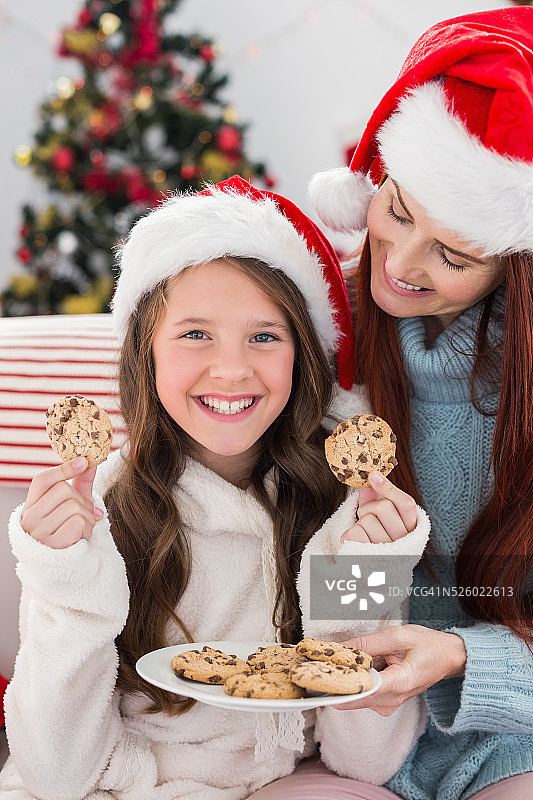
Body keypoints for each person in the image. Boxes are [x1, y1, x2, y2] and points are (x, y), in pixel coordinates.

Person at [0, 176, 431, 800]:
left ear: (300, 357)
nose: (231, 369)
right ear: (145, 355)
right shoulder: (98, 511)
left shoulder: (345, 511)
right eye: (195, 333)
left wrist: (361, 578)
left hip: (282, 783)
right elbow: (56, 774)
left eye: (263, 336)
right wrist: (64, 583)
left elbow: (371, 761)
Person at [253, 6, 533, 800]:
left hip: (507, 730)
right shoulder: (309, 327)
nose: (398, 263)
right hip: (352, 729)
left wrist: (460, 657)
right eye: (397, 211)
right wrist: (360, 573)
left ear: (511, 265)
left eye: (451, 252)